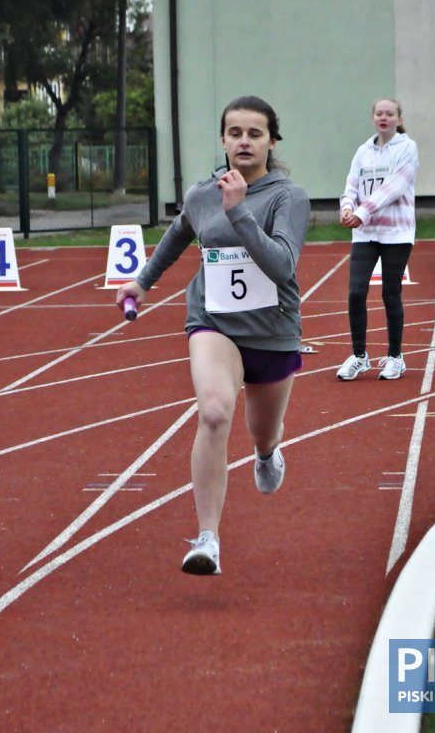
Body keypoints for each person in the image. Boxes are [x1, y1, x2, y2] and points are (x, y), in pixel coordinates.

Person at [115, 96, 310, 574]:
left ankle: (266, 454)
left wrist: (240, 211)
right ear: (223, 139)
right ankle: (207, 539)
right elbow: (180, 233)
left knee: (262, 432)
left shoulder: (288, 198)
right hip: (213, 321)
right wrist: (142, 280)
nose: (244, 141)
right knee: (215, 412)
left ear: (271, 141)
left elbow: (281, 265)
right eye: (235, 132)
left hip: (271, 331)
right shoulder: (204, 193)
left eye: (255, 133)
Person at [336, 98, 419, 381]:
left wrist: (361, 211)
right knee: (356, 291)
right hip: (365, 233)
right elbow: (351, 185)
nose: (384, 117)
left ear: (398, 118)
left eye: (390, 113)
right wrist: (347, 207)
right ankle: (360, 355)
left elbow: (393, 188)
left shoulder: (407, 148)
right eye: (379, 113)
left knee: (390, 292)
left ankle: (395, 357)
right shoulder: (363, 152)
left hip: (396, 232)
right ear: (373, 118)